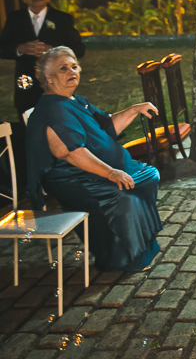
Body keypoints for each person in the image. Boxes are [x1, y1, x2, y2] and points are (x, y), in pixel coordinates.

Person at [26, 47, 163, 272]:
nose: (72, 71)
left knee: (148, 176)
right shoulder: (53, 109)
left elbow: (106, 125)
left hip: (90, 170)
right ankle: (118, 259)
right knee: (124, 194)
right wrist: (111, 172)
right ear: (48, 77)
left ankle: (139, 251)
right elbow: (68, 152)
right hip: (73, 177)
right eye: (63, 68)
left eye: (74, 66)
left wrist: (134, 109)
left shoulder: (76, 101)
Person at [0, 0, 86, 118]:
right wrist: (19, 49)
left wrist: (54, 51)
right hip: (25, 85)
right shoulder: (15, 19)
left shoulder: (62, 19)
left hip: (58, 84)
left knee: (60, 126)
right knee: (30, 129)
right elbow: (2, 48)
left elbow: (79, 50)